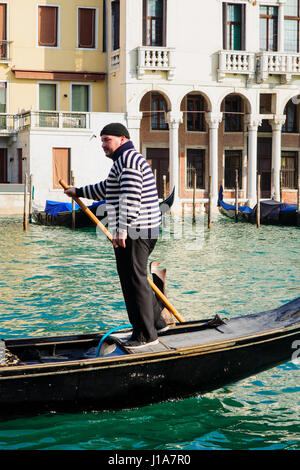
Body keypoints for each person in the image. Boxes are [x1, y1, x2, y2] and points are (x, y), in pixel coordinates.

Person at [64, 123, 173, 349]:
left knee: (133, 280)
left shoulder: (129, 161)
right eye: (102, 140)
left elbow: (131, 198)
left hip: (136, 230)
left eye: (107, 140)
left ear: (122, 139)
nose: (103, 145)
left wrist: (122, 229)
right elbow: (108, 188)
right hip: (140, 229)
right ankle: (157, 322)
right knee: (135, 277)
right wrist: (80, 191)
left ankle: (145, 335)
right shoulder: (123, 162)